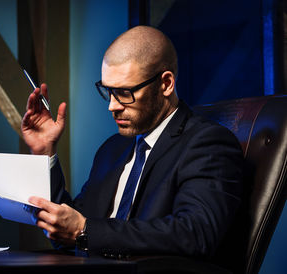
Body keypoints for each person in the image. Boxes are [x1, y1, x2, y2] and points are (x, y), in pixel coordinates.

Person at [21, 26, 244, 259]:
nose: (112, 106)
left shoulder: (207, 144)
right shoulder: (112, 149)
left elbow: (195, 234)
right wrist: (45, 152)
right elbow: (71, 231)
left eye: (125, 92)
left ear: (166, 84)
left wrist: (84, 230)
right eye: (109, 91)